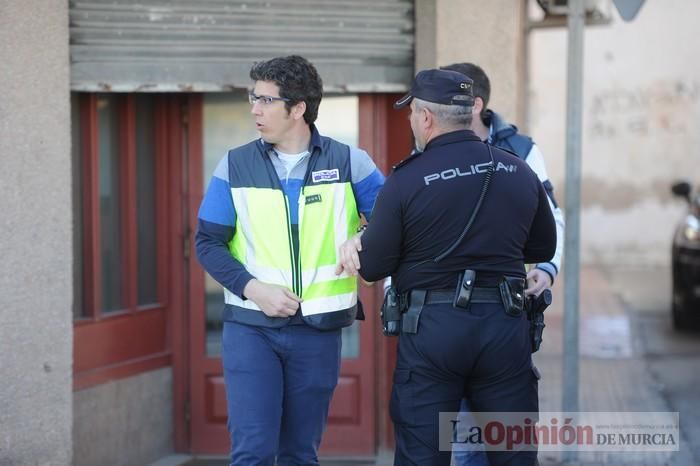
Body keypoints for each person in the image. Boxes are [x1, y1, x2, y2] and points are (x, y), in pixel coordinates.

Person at [336, 69, 556, 465]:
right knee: (514, 454)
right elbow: (543, 245)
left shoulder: (406, 181)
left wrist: (358, 239)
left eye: (411, 114)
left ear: (425, 118)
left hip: (432, 332)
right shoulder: (518, 170)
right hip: (504, 327)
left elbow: (373, 266)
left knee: (423, 454)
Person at [196, 55, 385, 466]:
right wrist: (253, 289)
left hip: (317, 332)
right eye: (253, 98)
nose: (254, 109)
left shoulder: (350, 162)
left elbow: (395, 223)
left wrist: (362, 238)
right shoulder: (234, 164)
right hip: (251, 330)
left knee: (300, 453)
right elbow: (207, 242)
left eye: (265, 100)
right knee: (252, 453)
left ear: (297, 108)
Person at [441, 62, 566, 466]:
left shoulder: (523, 150)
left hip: (506, 314)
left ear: (475, 105)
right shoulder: (430, 146)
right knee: (465, 441)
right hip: (449, 315)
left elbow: (552, 218)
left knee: (507, 438)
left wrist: (546, 267)